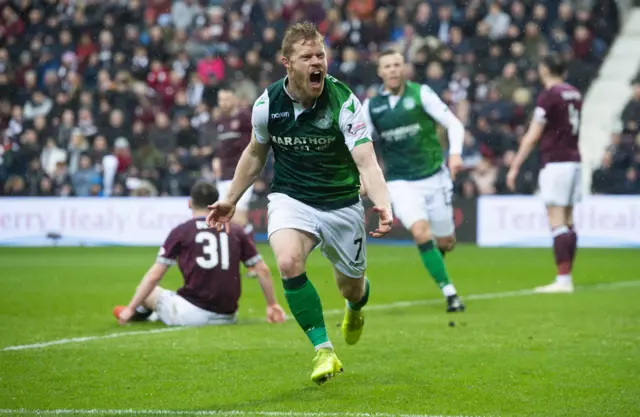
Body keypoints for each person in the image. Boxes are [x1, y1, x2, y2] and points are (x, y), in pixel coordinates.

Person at [205, 21, 393, 385]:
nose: (316, 62)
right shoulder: (267, 104)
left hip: (341, 204)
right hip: (291, 197)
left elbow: (366, 161)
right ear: (287, 63)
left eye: (320, 55)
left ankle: (355, 307)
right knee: (288, 262)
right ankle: (323, 349)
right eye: (306, 56)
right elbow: (255, 154)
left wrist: (383, 202)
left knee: (350, 287)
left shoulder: (343, 100)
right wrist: (230, 199)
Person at [362, 49, 465, 313]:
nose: (394, 70)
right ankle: (450, 293)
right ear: (380, 72)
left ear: (404, 68)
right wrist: (361, 175)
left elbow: (454, 125)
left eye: (397, 64)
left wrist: (454, 154)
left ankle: (435, 259)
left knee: (446, 242)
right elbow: (361, 144)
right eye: (388, 66)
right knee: (420, 232)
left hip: (435, 177)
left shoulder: (422, 94)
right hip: (400, 182)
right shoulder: (372, 107)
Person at [114, 181, 286, 326]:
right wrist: (272, 304)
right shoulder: (235, 230)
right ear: (216, 203)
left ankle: (137, 313)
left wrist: (130, 306)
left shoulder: (182, 231)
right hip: (227, 315)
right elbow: (262, 270)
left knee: (150, 292)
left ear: (190, 203)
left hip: (191, 314)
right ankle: (152, 314)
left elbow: (154, 276)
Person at [507, 54, 581, 293]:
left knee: (556, 220)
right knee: (568, 221)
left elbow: (533, 134)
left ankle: (563, 280)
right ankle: (567, 276)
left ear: (545, 69)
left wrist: (515, 165)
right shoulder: (574, 93)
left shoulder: (549, 95)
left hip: (556, 162)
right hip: (574, 160)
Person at [212, 87, 255, 240]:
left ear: (235, 100)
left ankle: (250, 251)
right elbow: (219, 146)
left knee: (238, 217)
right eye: (220, 100)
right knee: (225, 216)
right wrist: (216, 159)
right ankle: (235, 249)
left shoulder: (244, 117)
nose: (223, 103)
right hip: (224, 174)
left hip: (242, 174)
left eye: (226, 99)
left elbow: (255, 144)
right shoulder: (220, 121)